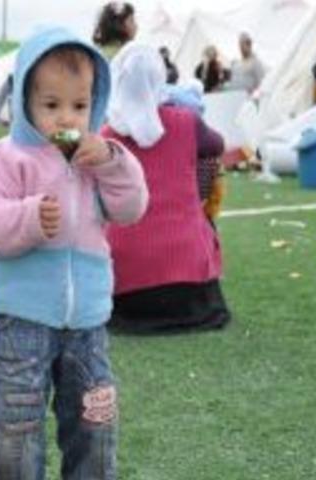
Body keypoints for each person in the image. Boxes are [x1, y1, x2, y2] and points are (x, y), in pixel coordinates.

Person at [0, 27, 148, 479]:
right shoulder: (7, 157)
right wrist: (27, 219)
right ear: (26, 101)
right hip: (20, 323)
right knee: (16, 428)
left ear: (96, 103)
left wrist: (111, 159)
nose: (66, 118)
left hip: (87, 325)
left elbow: (131, 207)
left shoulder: (98, 160)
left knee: (96, 424)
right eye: (51, 105)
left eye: (80, 106)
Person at [103, 43, 231, 334]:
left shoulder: (107, 135)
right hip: (190, 288)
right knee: (203, 190)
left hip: (125, 286)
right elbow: (218, 146)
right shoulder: (186, 122)